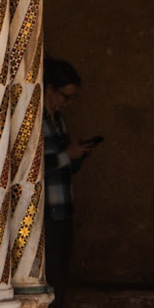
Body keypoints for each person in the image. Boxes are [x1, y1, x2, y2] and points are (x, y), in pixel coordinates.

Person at [42, 57, 99, 295]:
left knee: (60, 276)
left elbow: (65, 169)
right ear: (49, 89)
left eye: (72, 98)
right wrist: (67, 155)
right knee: (49, 279)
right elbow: (30, 170)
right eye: (65, 96)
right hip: (45, 214)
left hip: (64, 211)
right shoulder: (35, 122)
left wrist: (78, 155)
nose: (67, 103)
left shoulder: (59, 122)